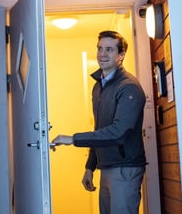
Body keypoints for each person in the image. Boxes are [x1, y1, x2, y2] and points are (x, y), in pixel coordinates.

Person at [52, 30, 147, 214]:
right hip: (106, 166)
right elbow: (100, 129)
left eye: (109, 49)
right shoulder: (99, 86)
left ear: (121, 56)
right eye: (100, 48)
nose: (102, 54)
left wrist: (73, 139)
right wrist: (90, 166)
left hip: (124, 168)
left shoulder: (128, 88)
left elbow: (118, 132)